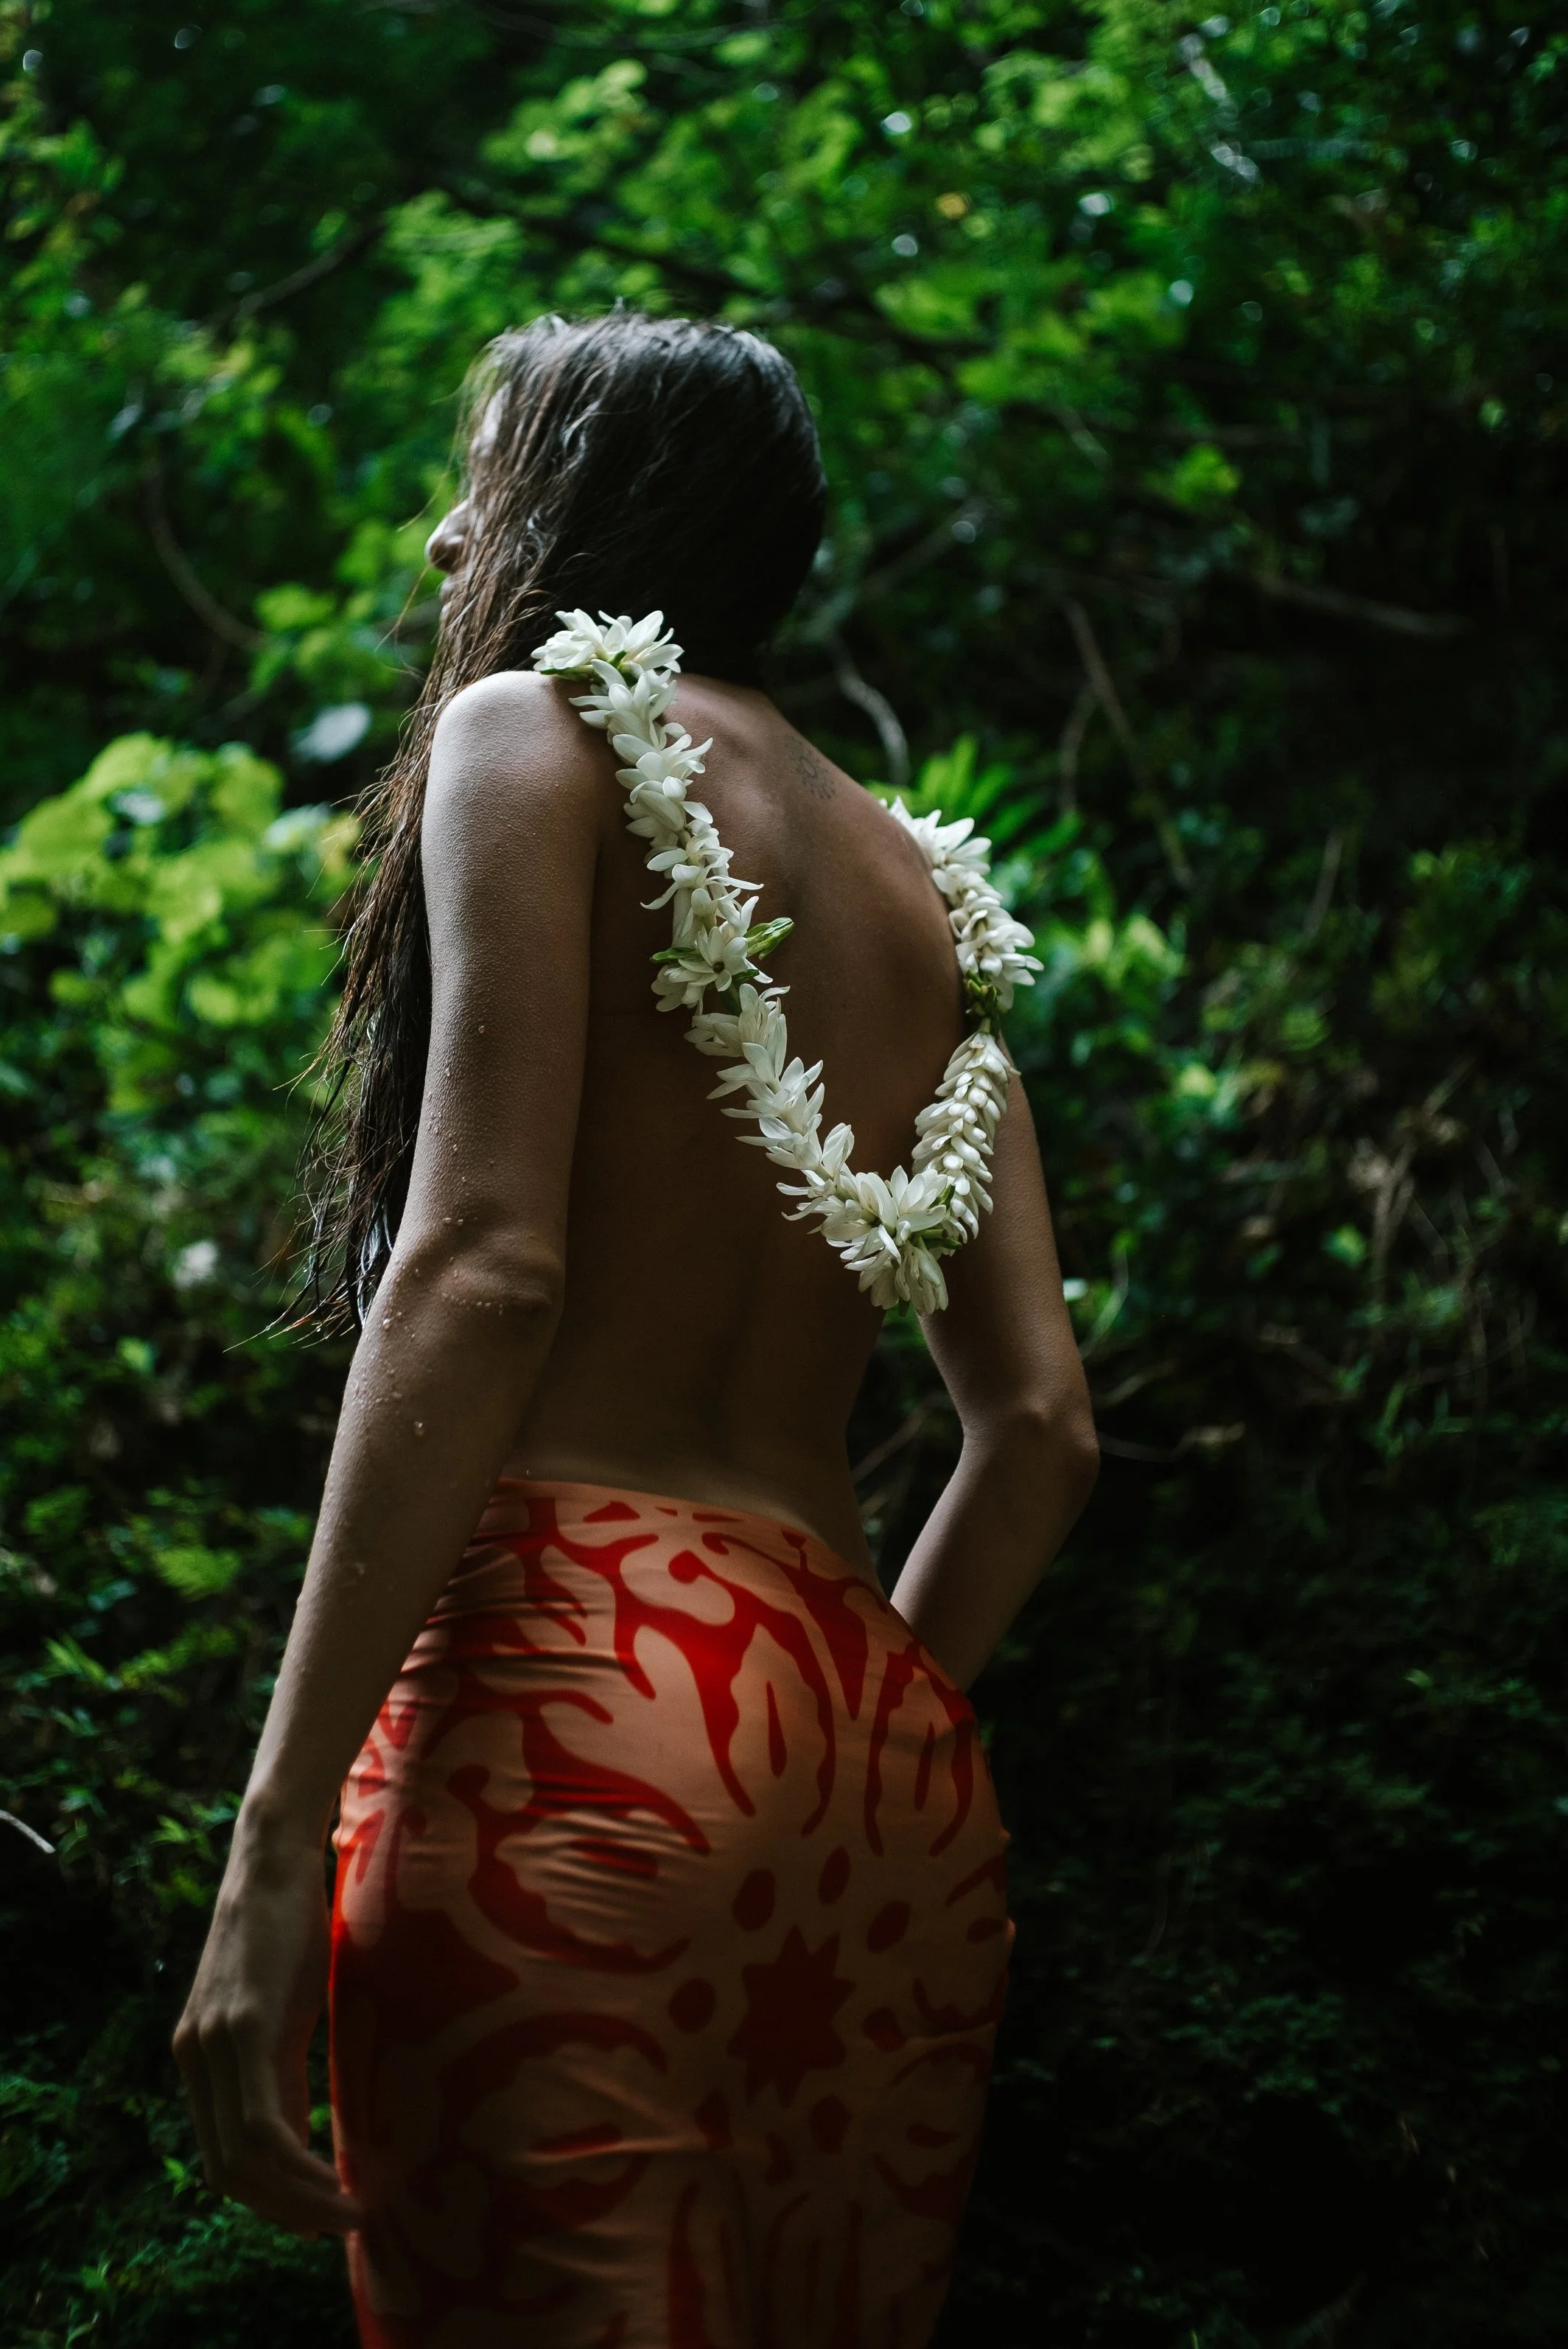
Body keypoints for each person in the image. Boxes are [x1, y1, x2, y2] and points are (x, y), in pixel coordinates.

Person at [172, 313, 1098, 2346]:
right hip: (869, 1768)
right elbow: (1036, 1427)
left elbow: (480, 1267)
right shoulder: (928, 900)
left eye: (475, 477)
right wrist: (832, 1728)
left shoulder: (537, 735)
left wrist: (265, 1843)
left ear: (582, 502)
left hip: (574, 1710)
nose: (441, 542)